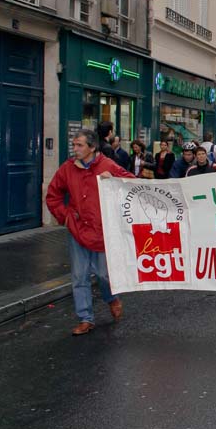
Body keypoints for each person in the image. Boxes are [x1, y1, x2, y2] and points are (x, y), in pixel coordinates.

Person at [45, 129, 133, 335]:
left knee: (103, 275)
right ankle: (85, 318)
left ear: (92, 148)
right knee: (79, 276)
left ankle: (112, 298)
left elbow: (132, 185)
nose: (74, 149)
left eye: (79, 145)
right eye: (74, 145)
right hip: (77, 230)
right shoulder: (67, 168)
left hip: (103, 231)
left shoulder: (108, 165)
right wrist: (65, 216)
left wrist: (114, 180)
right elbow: (53, 195)